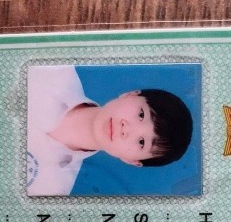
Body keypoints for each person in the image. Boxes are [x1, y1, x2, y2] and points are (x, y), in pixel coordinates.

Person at [26, 66, 193, 195]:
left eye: (141, 142)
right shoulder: (53, 72)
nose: (126, 129)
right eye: (141, 114)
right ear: (131, 94)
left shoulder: (52, 188)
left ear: (132, 161)